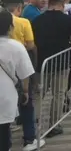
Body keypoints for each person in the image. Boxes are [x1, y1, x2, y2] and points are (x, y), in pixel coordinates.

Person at [31, 0, 71, 138]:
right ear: (62, 3)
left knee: (38, 94)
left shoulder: (37, 20)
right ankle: (54, 125)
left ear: (50, 2)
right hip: (61, 62)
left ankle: (33, 126)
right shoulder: (67, 20)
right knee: (58, 94)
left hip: (41, 63)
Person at [0, 9, 36, 151]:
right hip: (6, 94)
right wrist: (26, 91)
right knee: (3, 128)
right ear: (10, 27)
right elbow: (25, 73)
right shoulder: (16, 46)